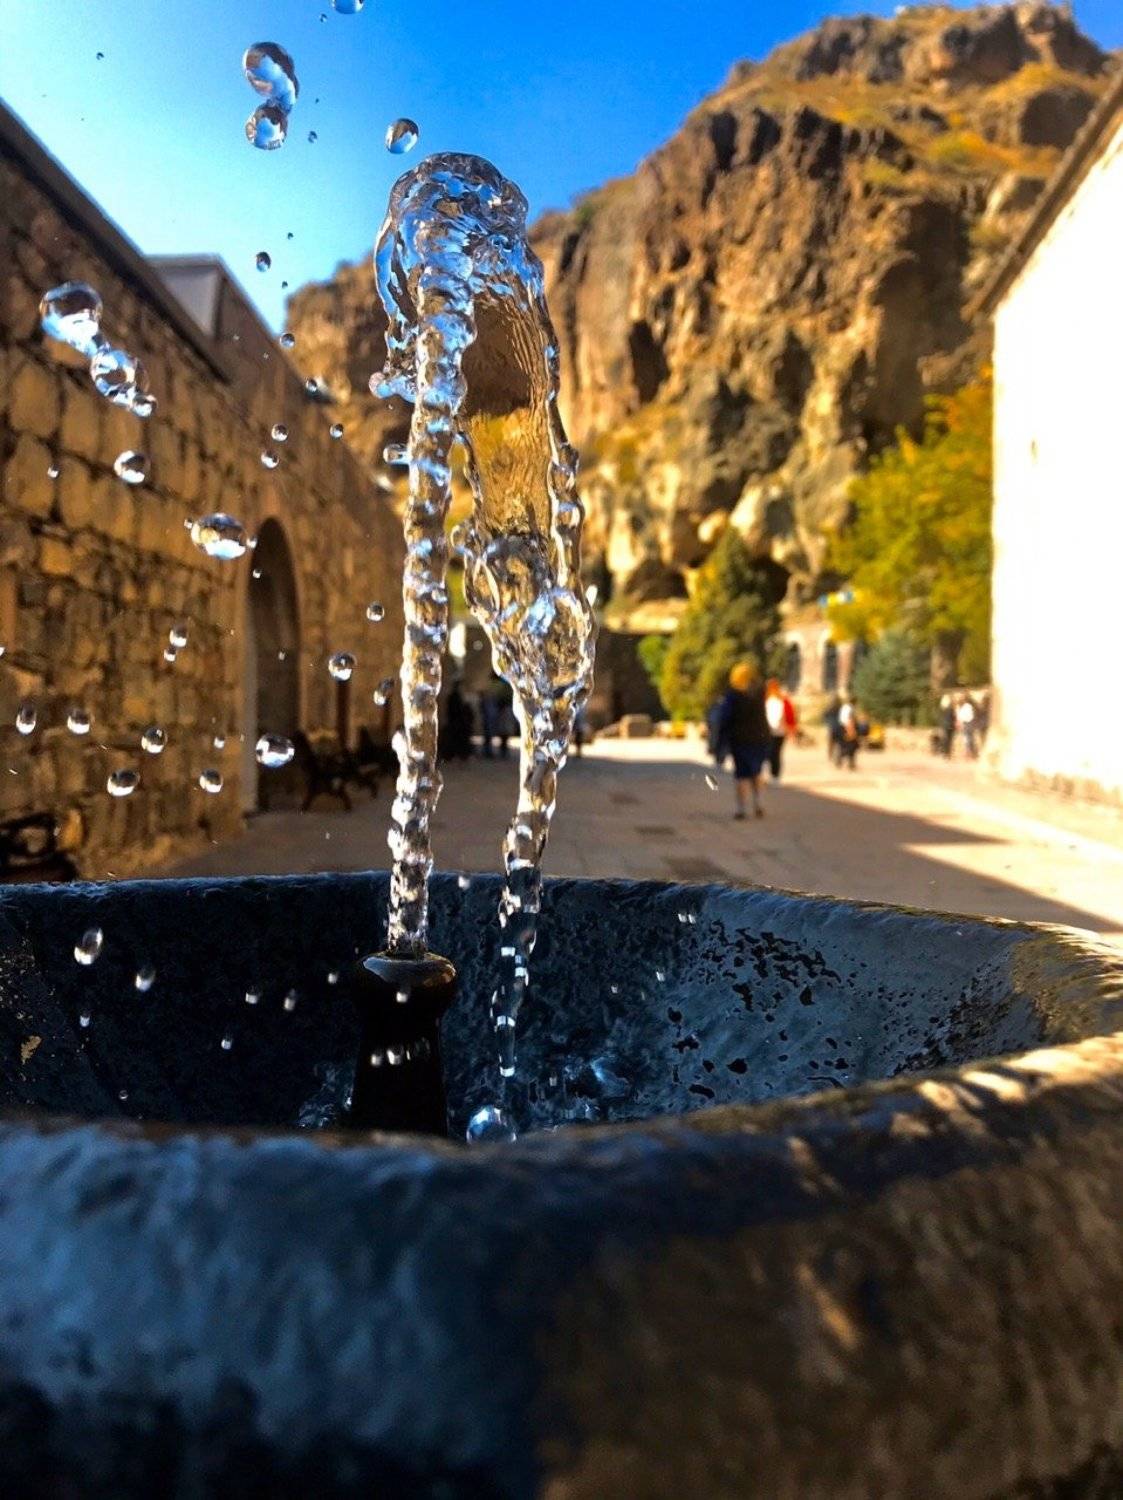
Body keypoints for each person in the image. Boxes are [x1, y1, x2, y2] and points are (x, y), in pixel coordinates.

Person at [713, 661, 772, 820]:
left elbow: (724, 719)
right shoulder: (759, 693)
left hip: (740, 740)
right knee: (757, 771)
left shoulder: (732, 696)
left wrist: (719, 744)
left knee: (741, 775)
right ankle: (759, 804)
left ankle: (742, 809)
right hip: (760, 738)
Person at [440, 681, 474, 761]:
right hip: (458, 723)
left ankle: (458, 755)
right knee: (458, 739)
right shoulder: (456, 697)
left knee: (457, 739)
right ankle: (460, 755)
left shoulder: (455, 697)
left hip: (457, 722)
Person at [764, 678, 789, 781]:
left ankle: (775, 774)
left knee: (774, 753)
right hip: (775, 731)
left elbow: (785, 716)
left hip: (776, 731)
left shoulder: (778, 701)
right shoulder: (768, 700)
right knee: (774, 753)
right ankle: (774, 773)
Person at [836, 695, 860, 770]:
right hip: (848, 728)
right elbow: (850, 720)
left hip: (842, 728)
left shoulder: (844, 707)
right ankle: (850, 763)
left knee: (844, 746)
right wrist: (851, 731)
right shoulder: (850, 709)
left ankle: (840, 761)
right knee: (851, 747)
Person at [956, 693, 978, 759]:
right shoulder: (964, 706)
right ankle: (970, 753)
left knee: (968, 739)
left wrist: (962, 722)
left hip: (968, 723)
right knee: (968, 739)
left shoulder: (967, 706)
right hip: (967, 723)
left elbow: (964, 716)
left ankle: (969, 753)